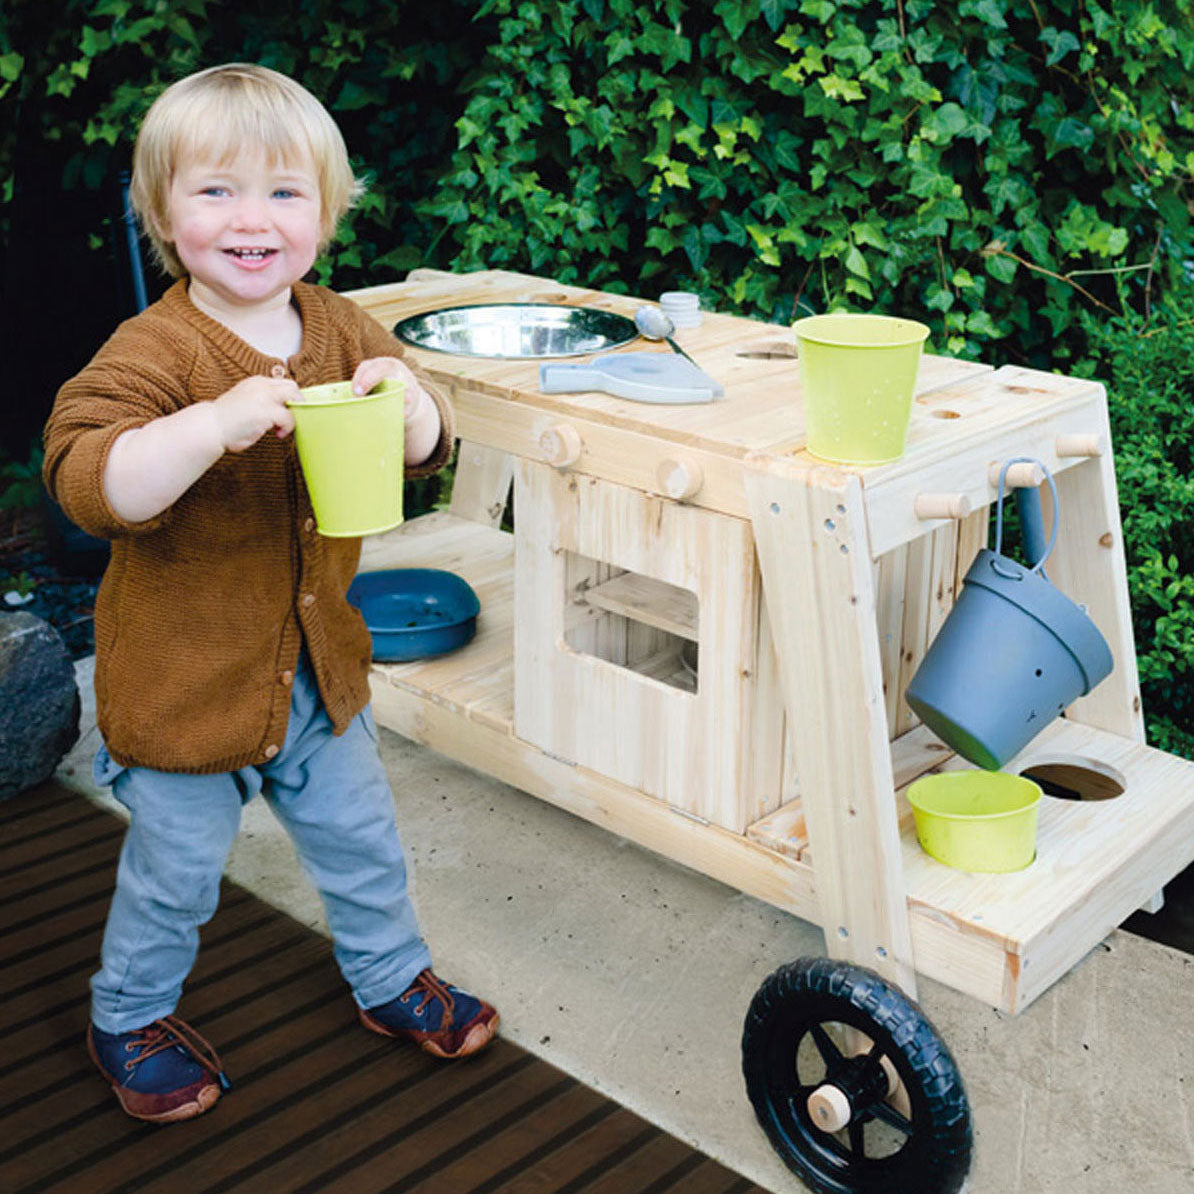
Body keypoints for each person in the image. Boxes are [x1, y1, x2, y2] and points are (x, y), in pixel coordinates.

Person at [42, 62, 498, 1125]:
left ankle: (390, 977)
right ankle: (128, 1014)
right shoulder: (155, 349)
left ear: (326, 214)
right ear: (164, 213)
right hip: (184, 691)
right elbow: (87, 479)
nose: (253, 219)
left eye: (286, 192)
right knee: (176, 878)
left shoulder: (340, 326)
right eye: (217, 190)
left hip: (318, 677)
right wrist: (206, 426)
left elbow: (429, 445)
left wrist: (412, 404)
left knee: (364, 843)